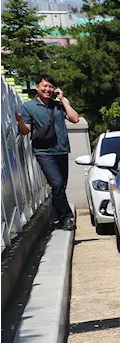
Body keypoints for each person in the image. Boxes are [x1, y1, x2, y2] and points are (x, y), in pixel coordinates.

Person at [15, 75, 80, 230]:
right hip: (44, 152)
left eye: (51, 86)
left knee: (60, 187)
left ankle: (56, 217)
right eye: (44, 86)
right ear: (37, 87)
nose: (48, 89)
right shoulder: (29, 107)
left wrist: (63, 99)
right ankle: (67, 218)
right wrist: (20, 122)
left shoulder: (58, 105)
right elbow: (26, 131)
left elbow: (75, 118)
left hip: (62, 149)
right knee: (57, 183)